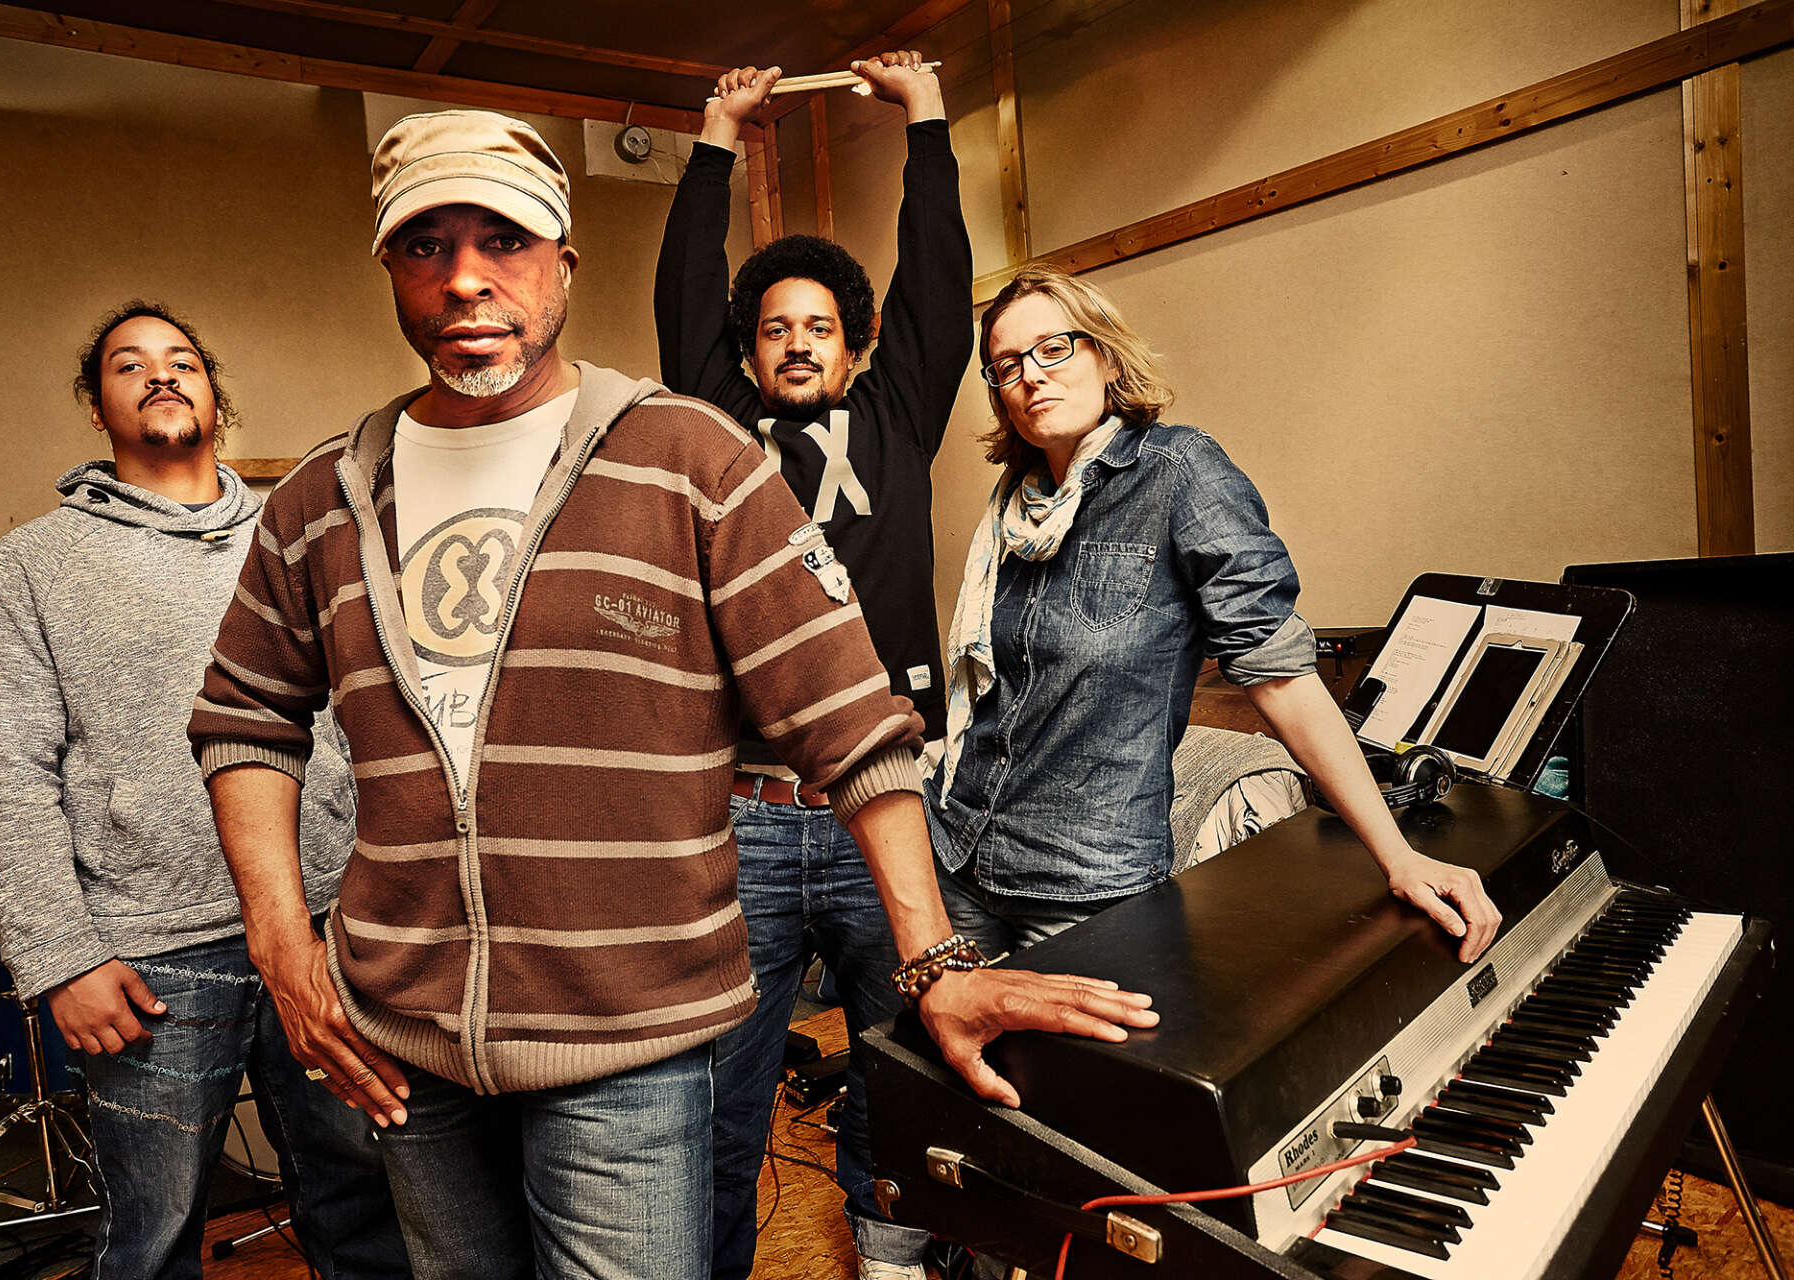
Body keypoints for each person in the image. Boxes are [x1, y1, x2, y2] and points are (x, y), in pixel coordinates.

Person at [186, 110, 1159, 1280]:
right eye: (425, 245)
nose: (465, 277)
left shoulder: (688, 456)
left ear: (563, 261)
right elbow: (245, 716)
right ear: (390, 267)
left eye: (502, 239)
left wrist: (934, 959)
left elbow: (851, 716)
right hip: (411, 1046)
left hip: (628, 1040)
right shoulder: (321, 498)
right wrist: (284, 945)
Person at [0, 302, 405, 1279]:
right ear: (96, 407)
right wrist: (61, 957)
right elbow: (11, 775)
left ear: (213, 394)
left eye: (182, 360)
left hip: (325, 925)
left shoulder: (297, 540)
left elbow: (366, 720)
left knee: (369, 1216)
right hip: (152, 955)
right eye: (129, 364)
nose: (160, 373)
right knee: (153, 1241)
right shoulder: (27, 568)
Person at [926, 267, 1503, 961]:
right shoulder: (1012, 511)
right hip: (959, 853)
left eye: (1054, 348)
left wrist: (1399, 856)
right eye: (1007, 365)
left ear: (1107, 356)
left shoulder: (1180, 473)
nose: (1031, 376)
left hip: (1085, 886)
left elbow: (1280, 676)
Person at [654, 53, 964, 1280]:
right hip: (748, 813)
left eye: (818, 328)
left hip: (885, 805)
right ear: (749, 350)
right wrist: (715, 139)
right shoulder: (718, 431)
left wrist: (927, 121)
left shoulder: (897, 416)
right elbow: (686, 297)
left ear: (854, 345)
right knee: (724, 1082)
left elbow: (937, 283)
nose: (795, 343)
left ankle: (891, 1257)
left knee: (900, 1057)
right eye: (774, 328)